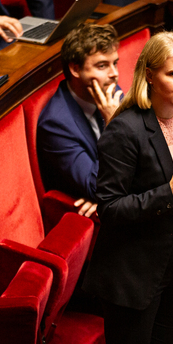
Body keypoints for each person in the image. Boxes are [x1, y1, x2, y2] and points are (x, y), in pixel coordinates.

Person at [82, 31, 173, 344]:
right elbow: (109, 209)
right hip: (137, 271)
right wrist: (170, 191)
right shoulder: (126, 129)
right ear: (149, 75)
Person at [37, 24, 122, 217]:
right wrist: (113, 125)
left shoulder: (110, 93)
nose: (114, 74)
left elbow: (143, 152)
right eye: (102, 65)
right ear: (75, 69)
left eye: (115, 63)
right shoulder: (56, 124)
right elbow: (96, 188)